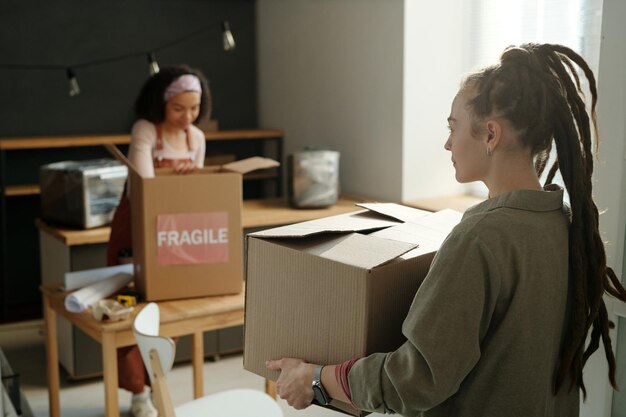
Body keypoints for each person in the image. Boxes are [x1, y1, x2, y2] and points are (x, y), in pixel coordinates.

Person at [266, 43, 626, 416]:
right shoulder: (564, 222)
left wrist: (316, 378)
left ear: (490, 135)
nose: (447, 143)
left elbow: (415, 380)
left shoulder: (481, 237)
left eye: (453, 128)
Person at [107, 65, 211, 417]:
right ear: (160, 103)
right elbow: (144, 187)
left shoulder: (197, 138)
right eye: (179, 108)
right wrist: (175, 181)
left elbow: (196, 195)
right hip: (135, 228)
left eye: (194, 108)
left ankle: (156, 385)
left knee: (170, 307)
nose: (187, 117)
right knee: (130, 305)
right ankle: (137, 393)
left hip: (176, 230)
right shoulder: (145, 130)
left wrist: (190, 179)